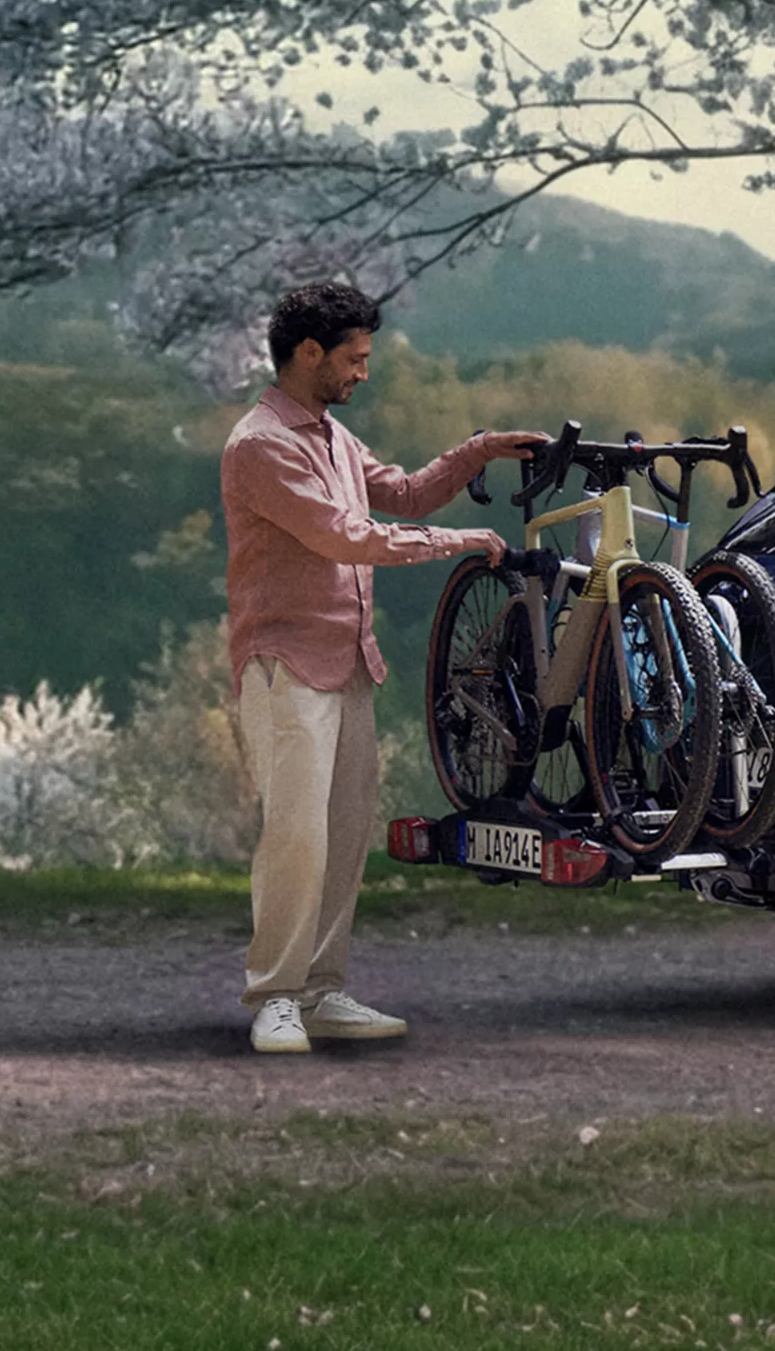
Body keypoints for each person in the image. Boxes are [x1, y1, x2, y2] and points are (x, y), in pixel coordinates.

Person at [220, 281, 545, 1055]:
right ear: (310, 353)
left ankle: (320, 990)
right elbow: (346, 536)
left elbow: (403, 493)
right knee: (296, 835)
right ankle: (275, 997)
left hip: (347, 660)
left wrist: (477, 452)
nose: (363, 373)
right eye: (354, 359)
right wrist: (457, 543)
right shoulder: (262, 445)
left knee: (342, 832)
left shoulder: (331, 436)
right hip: (287, 662)